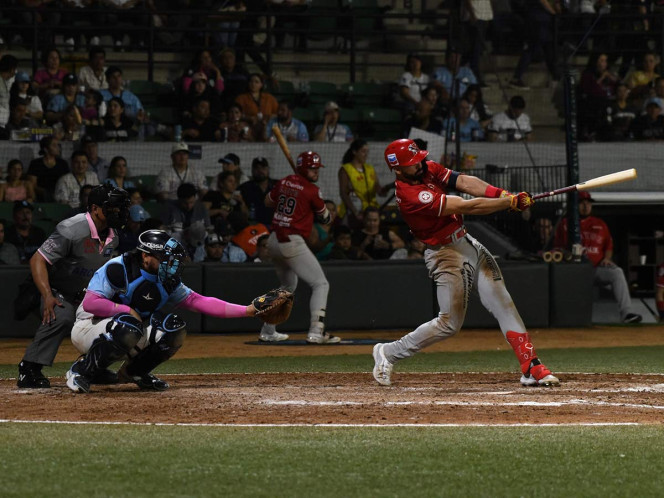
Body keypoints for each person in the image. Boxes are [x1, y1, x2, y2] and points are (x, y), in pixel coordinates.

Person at [372, 139, 559, 387]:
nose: (419, 164)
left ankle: (530, 365)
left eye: (418, 158)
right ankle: (388, 352)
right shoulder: (411, 196)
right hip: (445, 254)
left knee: (502, 301)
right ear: (397, 169)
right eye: (412, 162)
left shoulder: (427, 168)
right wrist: (508, 203)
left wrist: (503, 194)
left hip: (466, 242)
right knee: (449, 324)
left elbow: (464, 182)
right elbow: (466, 205)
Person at [64, 229, 265, 393]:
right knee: (129, 324)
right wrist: (125, 309)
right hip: (88, 328)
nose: (169, 263)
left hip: (128, 331)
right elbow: (90, 303)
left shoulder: (167, 281)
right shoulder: (119, 268)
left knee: (173, 329)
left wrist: (248, 310)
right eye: (163, 258)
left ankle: (134, 372)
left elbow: (199, 302)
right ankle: (81, 370)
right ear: (145, 256)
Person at [16, 185, 130, 388]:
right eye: (112, 207)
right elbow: (37, 260)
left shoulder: (114, 236)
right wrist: (47, 295)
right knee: (60, 314)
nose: (118, 212)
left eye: (119, 207)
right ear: (95, 208)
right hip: (54, 288)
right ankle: (29, 368)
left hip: (86, 295)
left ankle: (94, 367)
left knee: (118, 320)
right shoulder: (71, 228)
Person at [259, 150, 340, 344]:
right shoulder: (312, 190)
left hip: (273, 241)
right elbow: (326, 217)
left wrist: (290, 190)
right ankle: (316, 331)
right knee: (321, 284)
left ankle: (267, 330)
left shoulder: (284, 181)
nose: (316, 172)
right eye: (312, 168)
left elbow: (267, 201)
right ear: (303, 168)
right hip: (291, 241)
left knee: (287, 286)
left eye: (316, 168)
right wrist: (310, 202)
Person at [553, 191, 642, 324]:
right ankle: (560, 318)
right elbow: (557, 248)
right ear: (576, 205)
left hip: (596, 269)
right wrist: (566, 255)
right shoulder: (566, 223)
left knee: (617, 272)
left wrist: (607, 258)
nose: (586, 205)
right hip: (573, 271)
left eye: (588, 203)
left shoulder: (600, 224)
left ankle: (627, 313)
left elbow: (608, 247)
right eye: (582, 202)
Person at [338, 139, 391, 228]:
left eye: (367, 152)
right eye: (363, 151)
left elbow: (377, 188)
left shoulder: (369, 168)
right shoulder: (346, 169)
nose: (366, 154)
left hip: (371, 211)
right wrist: (355, 212)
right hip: (356, 212)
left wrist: (384, 190)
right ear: (354, 152)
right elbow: (343, 193)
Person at [162, 182, 211, 261]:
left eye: (191, 202)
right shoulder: (169, 207)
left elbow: (208, 228)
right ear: (179, 199)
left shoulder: (201, 208)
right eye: (185, 203)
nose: (189, 206)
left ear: (195, 198)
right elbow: (163, 229)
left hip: (197, 240)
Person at [27, 136, 70, 202]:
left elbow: (67, 181)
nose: (58, 148)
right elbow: (32, 185)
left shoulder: (62, 164)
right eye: (54, 145)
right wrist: (46, 193)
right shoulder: (35, 164)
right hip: (41, 198)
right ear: (46, 149)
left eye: (58, 145)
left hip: (60, 197)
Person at [238, 156, 276, 226]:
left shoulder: (277, 186)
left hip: (274, 227)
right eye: (257, 168)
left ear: (268, 170)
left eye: (263, 168)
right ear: (252, 170)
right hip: (252, 227)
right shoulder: (244, 188)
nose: (260, 171)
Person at [5, 200, 46, 265]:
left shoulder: (39, 233)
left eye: (28, 212)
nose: (25, 216)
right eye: (21, 213)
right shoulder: (8, 233)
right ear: (14, 216)